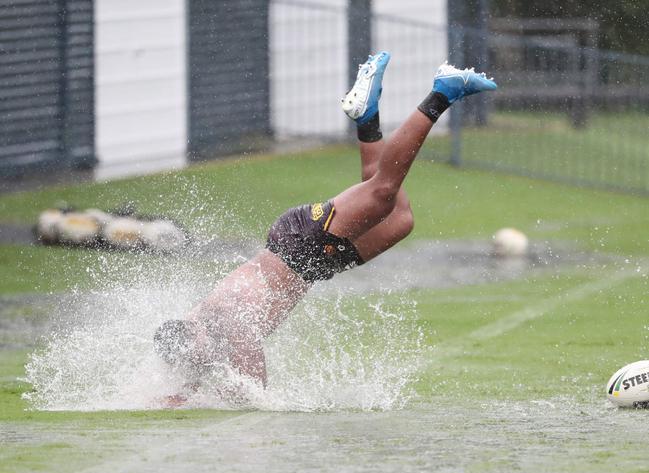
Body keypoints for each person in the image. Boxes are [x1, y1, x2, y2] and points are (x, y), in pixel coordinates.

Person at [154, 52, 497, 397]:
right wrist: (175, 396)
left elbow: (252, 379)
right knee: (398, 219)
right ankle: (368, 119)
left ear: (192, 330)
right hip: (313, 263)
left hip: (298, 243)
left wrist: (249, 401)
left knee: (383, 192)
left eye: (195, 355)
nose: (201, 360)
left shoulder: (224, 320)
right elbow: (198, 364)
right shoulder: (202, 335)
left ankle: (443, 92)